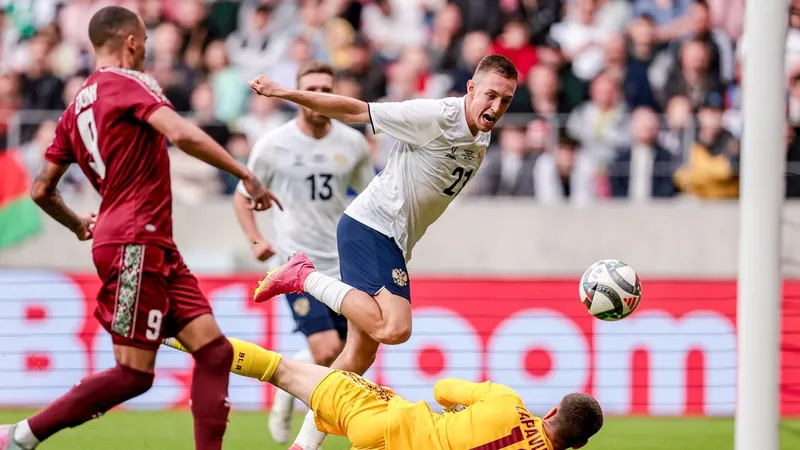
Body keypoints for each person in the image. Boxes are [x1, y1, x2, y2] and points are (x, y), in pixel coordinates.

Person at [0, 6, 280, 450]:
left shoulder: (75, 109)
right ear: (131, 42)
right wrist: (244, 173)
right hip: (134, 240)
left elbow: (40, 189)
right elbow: (181, 134)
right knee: (133, 373)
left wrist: (77, 224)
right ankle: (20, 436)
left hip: (148, 241)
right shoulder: (130, 82)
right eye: (145, 41)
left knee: (215, 351)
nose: (146, 49)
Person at [247, 54, 518, 450]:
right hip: (372, 227)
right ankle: (302, 275)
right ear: (471, 88)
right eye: (490, 95)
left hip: (395, 239)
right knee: (395, 328)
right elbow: (356, 111)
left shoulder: (481, 134)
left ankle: (302, 446)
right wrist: (285, 93)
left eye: (506, 100)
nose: (496, 107)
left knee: (355, 359)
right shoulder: (433, 116)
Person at [230, 60, 374, 443]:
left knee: (347, 354)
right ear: (298, 95)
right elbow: (242, 197)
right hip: (296, 266)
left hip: (344, 265)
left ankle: (287, 390)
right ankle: (302, 428)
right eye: (313, 89)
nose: (320, 96)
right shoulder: (273, 145)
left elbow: (370, 200)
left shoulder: (353, 144)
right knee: (327, 351)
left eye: (327, 89)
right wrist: (256, 240)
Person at [163, 336, 604, 450]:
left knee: (281, 369)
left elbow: (442, 388)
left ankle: (177, 335)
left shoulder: (507, 401)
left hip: (386, 417)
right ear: (579, 444)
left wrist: (454, 407)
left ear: (551, 410)